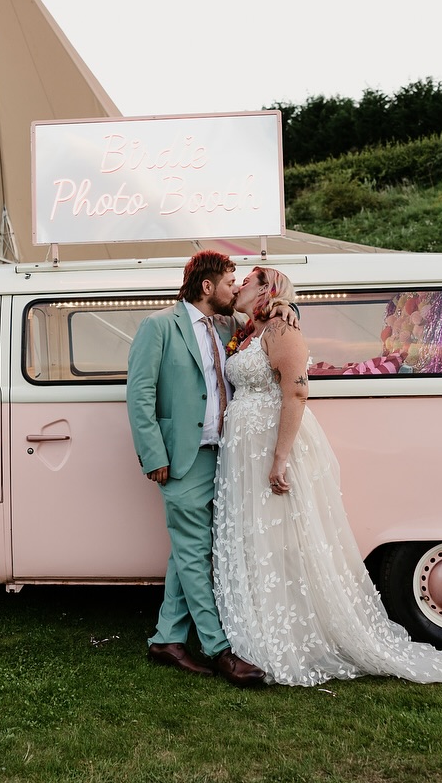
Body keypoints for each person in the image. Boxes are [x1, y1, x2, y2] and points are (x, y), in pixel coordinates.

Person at [212, 266, 442, 685]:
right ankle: (261, 629)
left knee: (287, 536)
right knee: (257, 536)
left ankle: (298, 637)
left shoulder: (281, 330)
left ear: (268, 290)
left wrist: (280, 458)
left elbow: (296, 391)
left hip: (272, 445)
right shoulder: (251, 329)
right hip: (245, 449)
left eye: (250, 280)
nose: (240, 284)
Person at [126, 250, 270, 687]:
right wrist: (155, 456)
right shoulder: (159, 326)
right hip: (181, 459)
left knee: (188, 552)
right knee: (194, 553)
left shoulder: (228, 326)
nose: (235, 289)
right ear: (207, 287)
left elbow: (271, 321)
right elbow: (139, 395)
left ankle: (167, 638)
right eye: (230, 283)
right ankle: (218, 649)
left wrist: (281, 305)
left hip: (223, 455)